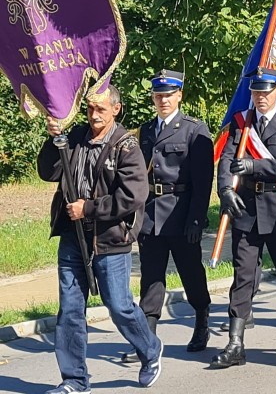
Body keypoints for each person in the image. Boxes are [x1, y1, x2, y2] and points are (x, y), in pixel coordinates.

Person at [37, 86, 163, 393]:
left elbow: (134, 194)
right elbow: (48, 171)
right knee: (69, 309)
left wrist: (90, 208)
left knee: (118, 305)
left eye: (101, 110)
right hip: (72, 237)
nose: (94, 115)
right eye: (90, 109)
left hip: (110, 238)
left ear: (115, 110)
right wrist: (54, 140)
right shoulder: (77, 136)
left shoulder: (126, 146)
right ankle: (74, 380)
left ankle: (149, 350)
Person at [212, 67, 276, 368]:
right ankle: (235, 343)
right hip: (246, 209)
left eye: (265, 92)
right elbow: (227, 160)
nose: (260, 98)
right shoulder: (242, 122)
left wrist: (254, 167)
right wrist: (224, 191)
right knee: (243, 275)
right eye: (255, 92)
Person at [121, 70, 213, 363]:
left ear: (179, 96)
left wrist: (197, 219)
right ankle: (147, 339)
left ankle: (201, 319)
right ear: (153, 98)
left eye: (168, 95)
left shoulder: (195, 130)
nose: (163, 101)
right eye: (158, 96)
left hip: (182, 213)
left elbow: (203, 182)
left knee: (190, 273)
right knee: (151, 277)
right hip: (150, 214)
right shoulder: (145, 131)